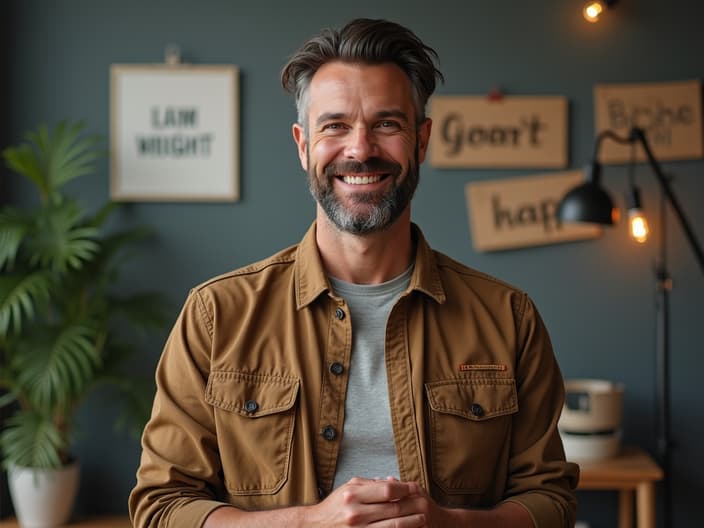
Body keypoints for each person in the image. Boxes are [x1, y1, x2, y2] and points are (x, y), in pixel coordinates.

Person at [129, 18, 579, 528]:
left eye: (386, 124)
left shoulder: (508, 317)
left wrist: (450, 525)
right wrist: (306, 524)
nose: (360, 149)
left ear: (422, 139)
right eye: (335, 125)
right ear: (303, 145)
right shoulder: (216, 315)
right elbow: (162, 508)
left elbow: (551, 501)